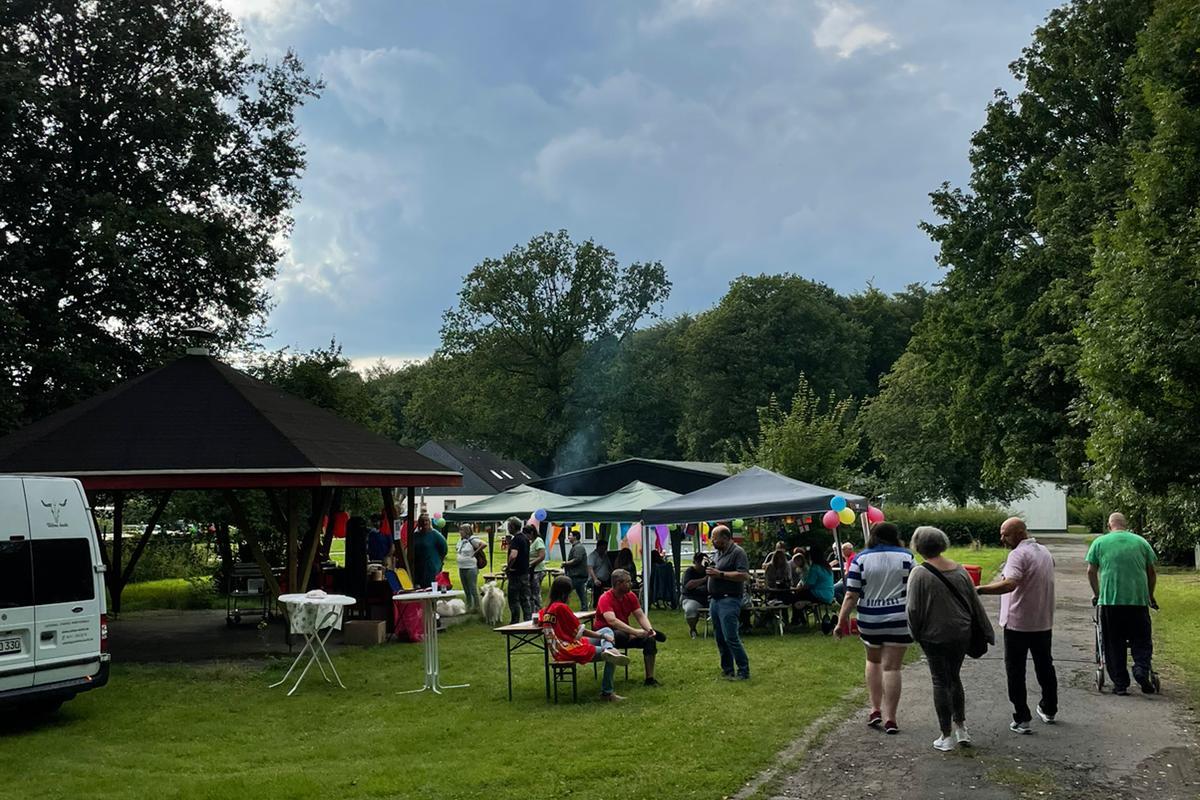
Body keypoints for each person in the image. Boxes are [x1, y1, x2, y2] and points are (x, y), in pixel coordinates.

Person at [907, 526, 994, 751]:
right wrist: (985, 629)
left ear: (918, 546)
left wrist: (914, 633)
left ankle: (945, 736)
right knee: (954, 677)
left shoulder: (919, 573)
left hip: (933, 635)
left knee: (940, 681)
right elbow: (974, 601)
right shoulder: (959, 569)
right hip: (960, 632)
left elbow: (913, 609)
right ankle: (961, 729)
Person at [978, 517, 1057, 732]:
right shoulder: (1043, 551)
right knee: (1045, 666)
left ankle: (1022, 717)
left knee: (1015, 671)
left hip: (1018, 623)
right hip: (1042, 621)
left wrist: (979, 590)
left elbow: (1010, 583)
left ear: (1020, 533)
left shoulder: (1017, 554)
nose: (1001, 538)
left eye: (1006, 534)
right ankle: (1049, 708)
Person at [835, 521, 914, 735]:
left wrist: (841, 621)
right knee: (892, 668)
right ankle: (891, 718)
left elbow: (851, 594)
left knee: (873, 661)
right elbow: (914, 588)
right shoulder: (907, 557)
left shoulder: (860, 559)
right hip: (899, 618)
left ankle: (875, 709)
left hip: (870, 618)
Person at [1086, 512, 1158, 695]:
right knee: (1141, 640)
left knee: (1113, 643)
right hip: (1137, 601)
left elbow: (1090, 571)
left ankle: (1120, 684)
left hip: (1110, 602)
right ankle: (1141, 668)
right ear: (1126, 525)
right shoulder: (1141, 542)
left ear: (1109, 526)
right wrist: (1150, 596)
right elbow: (1151, 573)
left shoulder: (1100, 543)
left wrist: (1098, 593)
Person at [538, 576, 631, 702]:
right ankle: (607, 693)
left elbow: (541, 622)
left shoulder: (546, 610)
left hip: (559, 648)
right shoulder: (561, 607)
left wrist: (603, 635)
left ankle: (608, 648)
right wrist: (602, 637)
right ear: (566, 593)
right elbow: (580, 631)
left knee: (606, 630)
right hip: (568, 649)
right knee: (610, 656)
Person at [596, 568, 666, 686]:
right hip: (606, 636)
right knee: (620, 634)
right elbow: (612, 621)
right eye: (628, 582)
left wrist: (649, 629)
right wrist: (635, 632)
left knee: (650, 640)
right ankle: (632, 636)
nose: (631, 584)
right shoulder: (605, 598)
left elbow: (640, 615)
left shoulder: (631, 596)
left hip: (625, 632)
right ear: (618, 584)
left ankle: (649, 679)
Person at [707, 525, 751, 679]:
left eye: (714, 537)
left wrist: (720, 574)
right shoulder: (718, 553)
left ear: (725, 538)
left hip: (729, 599)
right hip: (715, 600)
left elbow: (743, 575)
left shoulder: (738, 552)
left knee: (730, 637)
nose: (712, 540)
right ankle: (727, 669)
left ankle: (743, 670)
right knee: (719, 637)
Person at [505, 517, 534, 623]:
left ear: (512, 526)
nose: (508, 528)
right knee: (525, 598)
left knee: (514, 600)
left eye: (508, 526)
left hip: (515, 573)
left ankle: (515, 621)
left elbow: (513, 555)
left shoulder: (516, 539)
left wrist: (508, 567)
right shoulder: (525, 538)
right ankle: (528, 620)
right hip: (525, 573)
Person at [412, 513, 447, 590]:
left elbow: (444, 549)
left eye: (426, 520)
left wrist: (439, 561)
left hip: (431, 567)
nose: (425, 523)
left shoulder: (435, 535)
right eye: (422, 521)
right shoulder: (415, 535)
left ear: (429, 522)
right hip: (418, 567)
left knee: (431, 588)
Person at [455, 523, 485, 612]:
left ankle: (477, 607)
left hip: (471, 567)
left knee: (472, 587)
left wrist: (476, 552)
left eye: (461, 530)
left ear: (466, 531)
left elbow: (483, 544)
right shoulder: (460, 540)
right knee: (466, 588)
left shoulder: (473, 539)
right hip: (461, 567)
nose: (460, 532)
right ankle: (469, 606)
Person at [681, 551, 710, 639]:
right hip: (692, 598)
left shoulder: (709, 570)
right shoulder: (690, 571)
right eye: (699, 561)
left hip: (709, 598)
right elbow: (689, 585)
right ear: (695, 562)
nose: (701, 563)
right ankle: (692, 629)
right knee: (691, 608)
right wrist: (704, 579)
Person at [561, 529, 590, 609]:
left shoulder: (578, 547)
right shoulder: (576, 547)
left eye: (570, 535)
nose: (568, 537)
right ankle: (584, 609)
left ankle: (563, 608)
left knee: (565, 592)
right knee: (581, 594)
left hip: (577, 576)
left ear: (575, 537)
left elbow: (577, 559)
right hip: (577, 575)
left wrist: (566, 563)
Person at [587, 536, 612, 608]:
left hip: (606, 578)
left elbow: (609, 567)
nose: (605, 549)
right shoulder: (592, 556)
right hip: (595, 579)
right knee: (598, 586)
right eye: (604, 548)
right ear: (599, 547)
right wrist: (595, 579)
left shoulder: (605, 556)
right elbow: (590, 568)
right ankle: (596, 605)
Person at [529, 525, 547, 607]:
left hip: (538, 570)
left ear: (532, 533)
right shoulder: (531, 542)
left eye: (527, 534)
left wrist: (530, 563)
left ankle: (539, 611)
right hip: (532, 570)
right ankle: (534, 610)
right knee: (532, 592)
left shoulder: (538, 541)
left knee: (536, 592)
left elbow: (542, 556)